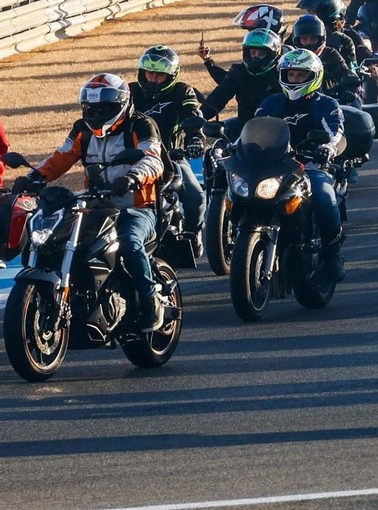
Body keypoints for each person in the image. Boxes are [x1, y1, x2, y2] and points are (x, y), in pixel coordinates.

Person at [17, 75, 168, 331]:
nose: (97, 113)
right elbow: (61, 157)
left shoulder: (141, 125)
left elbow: (153, 159)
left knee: (130, 243)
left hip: (137, 206)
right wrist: (34, 177)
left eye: (105, 108)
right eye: (91, 108)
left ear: (121, 104)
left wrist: (133, 177)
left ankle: (150, 299)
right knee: (55, 238)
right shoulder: (82, 129)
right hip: (96, 204)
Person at [254, 50, 347, 282]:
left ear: (314, 76)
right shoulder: (271, 102)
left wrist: (328, 148)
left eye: (300, 75)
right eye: (291, 75)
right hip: (273, 170)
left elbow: (335, 132)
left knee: (325, 198)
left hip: (311, 167)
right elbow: (254, 128)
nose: (294, 80)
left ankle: (332, 254)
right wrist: (234, 145)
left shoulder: (326, 103)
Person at [130, 46, 205, 245]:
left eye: (159, 75)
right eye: (150, 74)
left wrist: (195, 140)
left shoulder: (183, 91)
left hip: (172, 157)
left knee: (196, 198)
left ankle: (191, 234)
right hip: (133, 158)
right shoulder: (129, 92)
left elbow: (192, 116)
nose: (153, 79)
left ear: (171, 76)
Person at [200, 28, 283, 121]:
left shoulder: (282, 75)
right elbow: (220, 95)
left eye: (261, 54)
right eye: (253, 53)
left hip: (278, 128)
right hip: (244, 127)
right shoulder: (239, 72)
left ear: (272, 55)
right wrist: (199, 116)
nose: (255, 58)